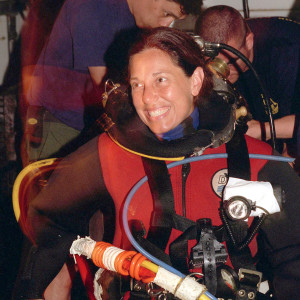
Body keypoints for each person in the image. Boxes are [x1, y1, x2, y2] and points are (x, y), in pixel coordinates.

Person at [17, 27, 300, 299]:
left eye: (160, 79)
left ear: (196, 80)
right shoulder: (110, 152)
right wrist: (34, 291)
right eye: (137, 84)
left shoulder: (256, 160)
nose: (147, 97)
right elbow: (49, 218)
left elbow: (294, 255)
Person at [21, 0, 202, 166]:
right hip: (61, 125)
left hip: (93, 126)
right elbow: (108, 90)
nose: (165, 24)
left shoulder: (137, 18)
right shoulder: (93, 6)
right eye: (166, 13)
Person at [195, 5, 300, 156]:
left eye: (230, 61)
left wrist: (263, 130)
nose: (225, 72)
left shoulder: (288, 53)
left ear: (249, 41)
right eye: (213, 64)